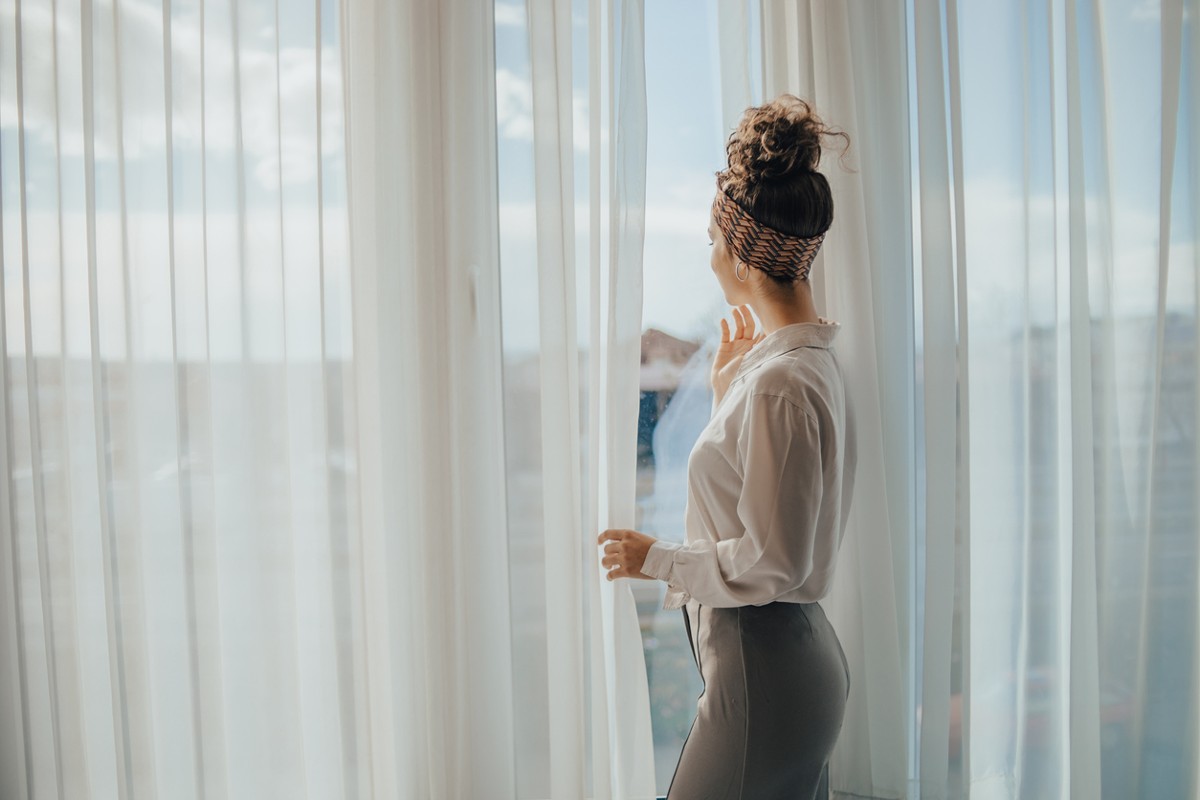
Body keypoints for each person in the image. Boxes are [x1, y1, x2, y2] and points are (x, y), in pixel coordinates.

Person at [596, 94, 858, 800]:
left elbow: (771, 560)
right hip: (788, 663)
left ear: (742, 252)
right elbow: (763, 508)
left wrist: (657, 559)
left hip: (765, 670)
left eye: (714, 237)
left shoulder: (780, 384)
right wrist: (724, 394)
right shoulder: (801, 369)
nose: (709, 254)